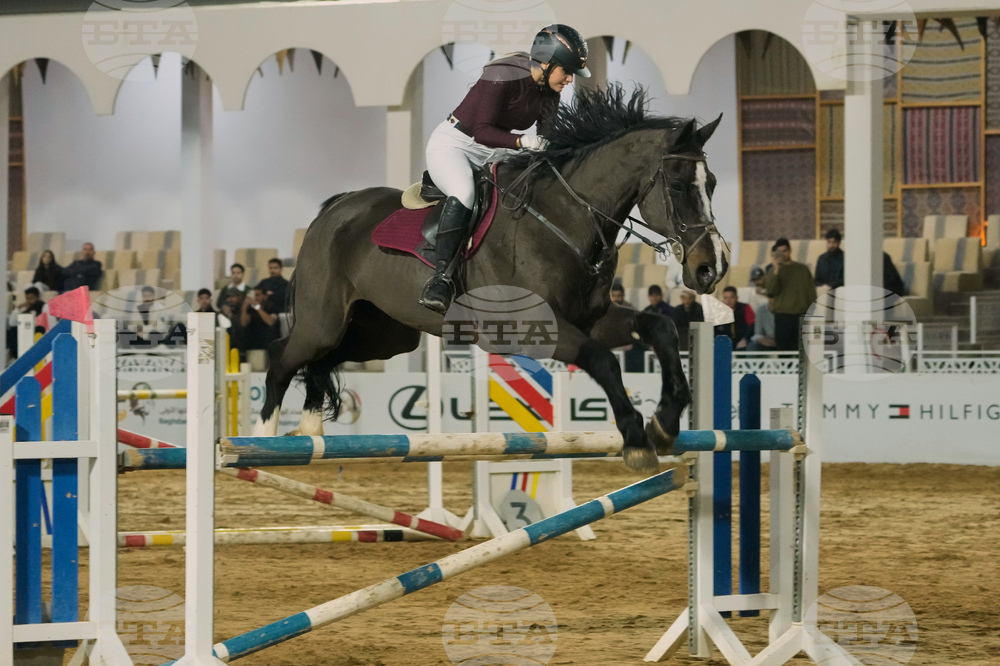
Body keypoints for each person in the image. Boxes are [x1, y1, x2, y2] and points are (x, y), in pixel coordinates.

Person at [419, 24, 591, 314]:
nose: (570, 80)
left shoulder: (549, 89)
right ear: (547, 64)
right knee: (464, 192)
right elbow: (481, 131)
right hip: (454, 145)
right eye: (567, 71)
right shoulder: (502, 74)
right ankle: (440, 280)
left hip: (496, 148)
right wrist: (523, 141)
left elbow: (548, 139)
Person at [763, 238, 817, 351]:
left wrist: (812, 313)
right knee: (784, 353)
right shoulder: (772, 271)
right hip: (782, 316)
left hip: (801, 316)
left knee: (802, 353)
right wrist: (776, 269)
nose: (783, 254)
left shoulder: (802, 269)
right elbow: (771, 291)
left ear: (790, 251)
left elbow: (811, 293)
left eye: (785, 250)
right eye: (779, 252)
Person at [237, 285, 279, 359]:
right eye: (254, 295)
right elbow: (244, 323)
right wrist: (244, 307)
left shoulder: (271, 307)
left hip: (268, 344)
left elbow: (270, 321)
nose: (256, 298)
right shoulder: (251, 309)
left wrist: (258, 308)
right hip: (252, 344)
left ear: (265, 296)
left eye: (258, 295)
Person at [6, 287, 45, 357]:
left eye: (31, 298)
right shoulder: (25, 308)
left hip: (36, 330)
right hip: (24, 329)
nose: (29, 301)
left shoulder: (43, 306)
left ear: (37, 297)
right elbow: (12, 323)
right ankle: (16, 356)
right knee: (11, 331)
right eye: (27, 299)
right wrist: (18, 308)